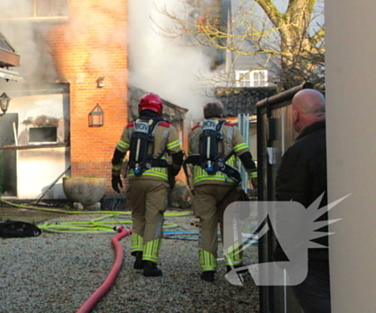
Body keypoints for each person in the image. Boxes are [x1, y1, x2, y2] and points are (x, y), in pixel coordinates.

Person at [111, 92, 184, 277]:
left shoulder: (130, 127)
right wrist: (173, 172)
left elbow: (118, 153)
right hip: (157, 180)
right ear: (159, 108)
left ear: (141, 108)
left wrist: (115, 174)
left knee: (138, 215)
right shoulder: (168, 128)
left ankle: (138, 254)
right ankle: (150, 262)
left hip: (134, 178)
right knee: (154, 218)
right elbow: (177, 156)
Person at [187, 101, 258, 282]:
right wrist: (254, 178)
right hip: (227, 184)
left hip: (202, 184)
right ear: (221, 113)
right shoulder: (231, 129)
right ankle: (233, 265)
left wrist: (192, 185)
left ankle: (208, 269)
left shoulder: (194, 131)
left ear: (204, 114)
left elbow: (192, 158)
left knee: (206, 225)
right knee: (231, 223)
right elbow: (245, 155)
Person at [275, 89, 330, 313]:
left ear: (296, 116)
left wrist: (283, 253)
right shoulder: (348, 143)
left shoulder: (299, 152)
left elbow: (290, 207)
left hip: (312, 256)